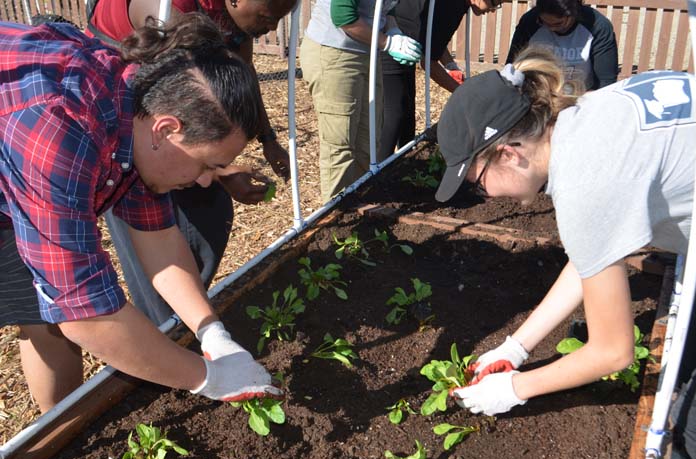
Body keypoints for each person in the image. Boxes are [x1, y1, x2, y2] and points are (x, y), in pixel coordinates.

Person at [434, 48, 696, 459]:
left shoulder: (585, 183)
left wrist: (516, 389)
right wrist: (516, 347)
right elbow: (591, 255)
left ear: (508, 153)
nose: (486, 197)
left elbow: (613, 351)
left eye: (478, 184)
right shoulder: (589, 117)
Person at [0, 14, 282, 413]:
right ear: (166, 130)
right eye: (206, 165)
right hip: (23, 136)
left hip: (19, 153)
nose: (206, 182)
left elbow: (160, 240)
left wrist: (211, 331)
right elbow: (85, 316)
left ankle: (60, 426)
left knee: (46, 308)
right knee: (53, 313)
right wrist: (208, 378)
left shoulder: (136, 109)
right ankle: (55, 439)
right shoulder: (61, 129)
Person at [86, 0, 295, 325]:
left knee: (202, 220)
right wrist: (219, 168)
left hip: (162, 134)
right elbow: (80, 307)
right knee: (158, 260)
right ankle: (166, 329)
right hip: (126, 138)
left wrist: (264, 141)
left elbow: (237, 81)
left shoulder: (234, 20)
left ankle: (183, 321)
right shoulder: (169, 8)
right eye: (269, 17)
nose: (271, 27)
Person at [301, 0, 422, 203]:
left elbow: (386, 7)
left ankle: (358, 204)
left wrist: (393, 30)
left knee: (368, 138)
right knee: (341, 142)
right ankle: (336, 217)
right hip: (335, 51)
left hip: (367, 52)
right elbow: (343, 16)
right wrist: (388, 43)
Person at [507, 0, 617, 94]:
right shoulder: (530, 22)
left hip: (582, 98)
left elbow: (606, 83)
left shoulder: (598, 27)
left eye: (558, 24)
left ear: (574, 12)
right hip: (536, 97)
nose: (551, 29)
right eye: (544, 22)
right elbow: (511, 69)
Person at [419, 0, 502, 94]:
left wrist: (451, 67)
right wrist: (463, 94)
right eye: (495, 4)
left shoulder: (460, 4)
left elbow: (435, 41)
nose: (493, 10)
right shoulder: (450, 5)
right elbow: (428, 61)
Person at [378, 0, 424, 161]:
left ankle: (405, 166)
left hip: (406, 42)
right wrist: (390, 40)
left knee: (407, 112)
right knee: (394, 113)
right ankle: (379, 169)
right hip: (389, 47)